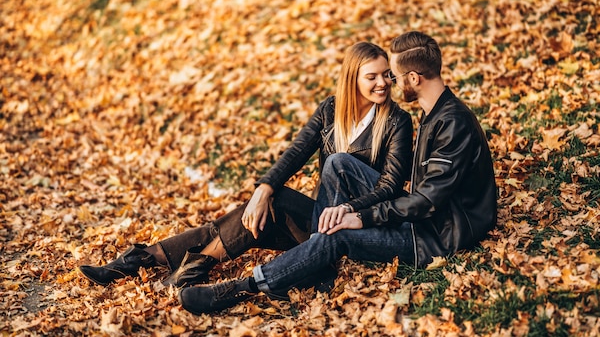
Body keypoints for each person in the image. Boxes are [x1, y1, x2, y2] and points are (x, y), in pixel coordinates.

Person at [178, 31, 498, 314]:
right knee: (331, 169)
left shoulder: (448, 123)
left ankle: (243, 288)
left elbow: (425, 201)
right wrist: (266, 188)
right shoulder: (434, 115)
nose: (390, 83)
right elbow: (298, 151)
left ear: (413, 79)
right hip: (424, 222)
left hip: (435, 237)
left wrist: (358, 216)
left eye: (394, 76)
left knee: (336, 235)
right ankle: (171, 257)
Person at [79, 41, 414, 289]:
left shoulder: (398, 121)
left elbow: (390, 187)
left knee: (277, 200)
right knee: (258, 209)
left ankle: (173, 264)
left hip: (356, 227)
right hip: (317, 219)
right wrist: (263, 190)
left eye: (387, 75)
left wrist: (349, 210)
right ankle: (147, 260)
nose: (383, 83)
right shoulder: (331, 110)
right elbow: (295, 153)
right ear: (352, 79)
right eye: (372, 77)